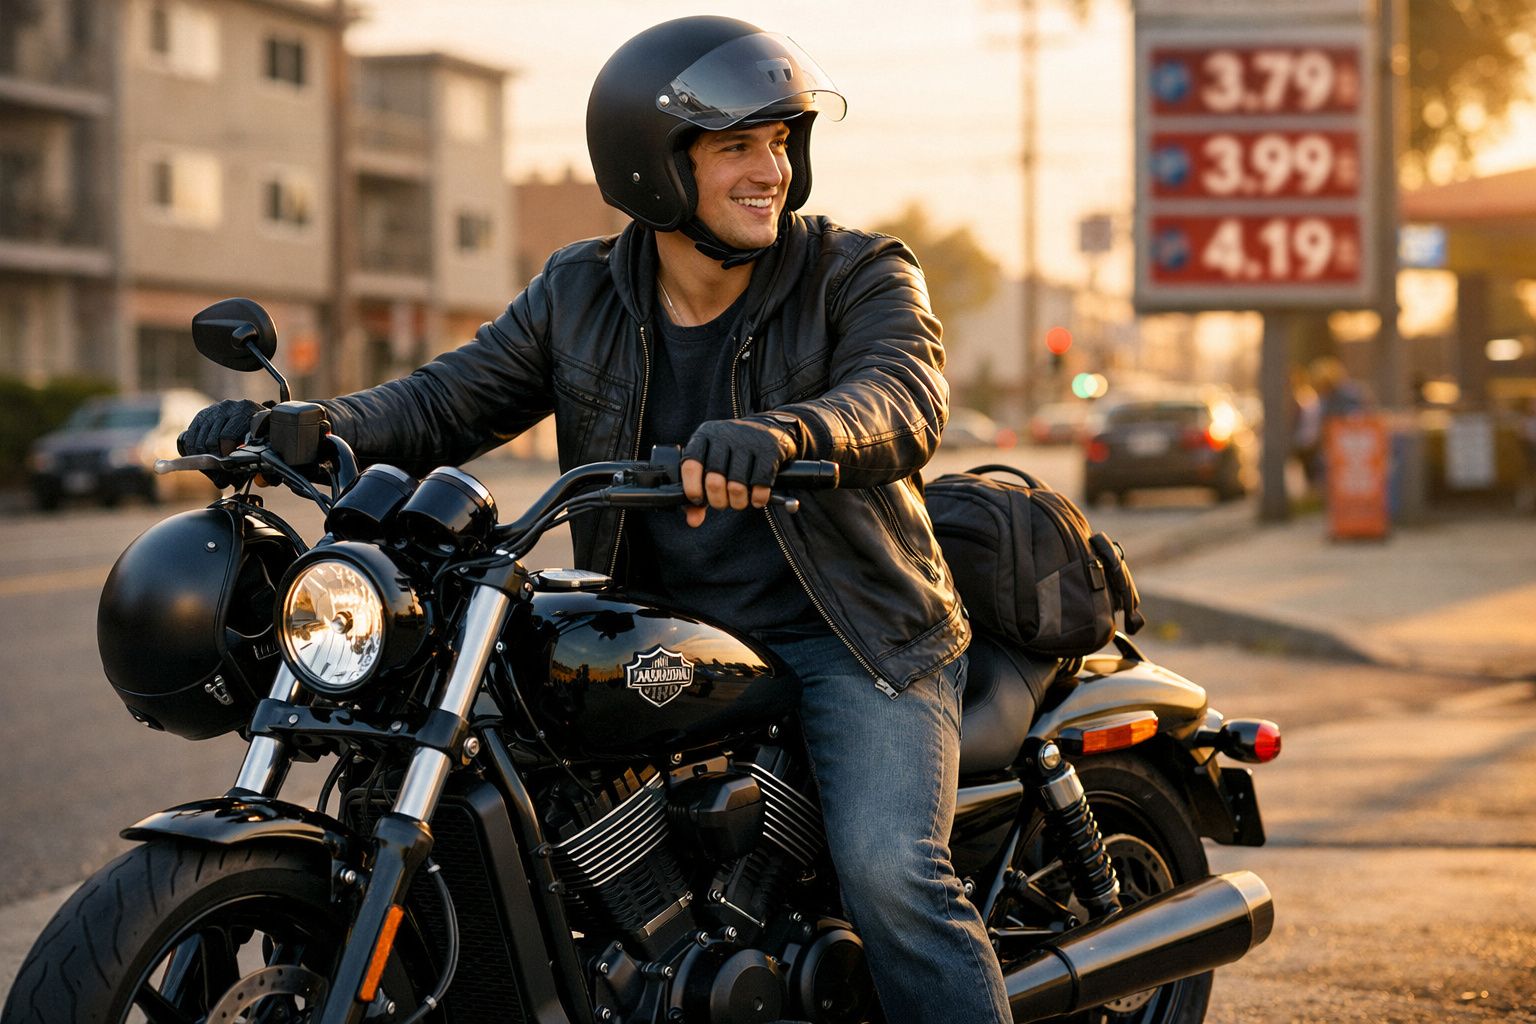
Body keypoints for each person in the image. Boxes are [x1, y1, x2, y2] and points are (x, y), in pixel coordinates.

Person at [182, 16, 1010, 1023]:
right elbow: (447, 401)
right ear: (655, 169)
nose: (772, 170)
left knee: (893, 877)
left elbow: (902, 394)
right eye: (737, 146)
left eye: (782, 141)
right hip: (660, 625)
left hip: (857, 634)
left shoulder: (857, 273)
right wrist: (303, 425)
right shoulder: (580, 292)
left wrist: (789, 435)